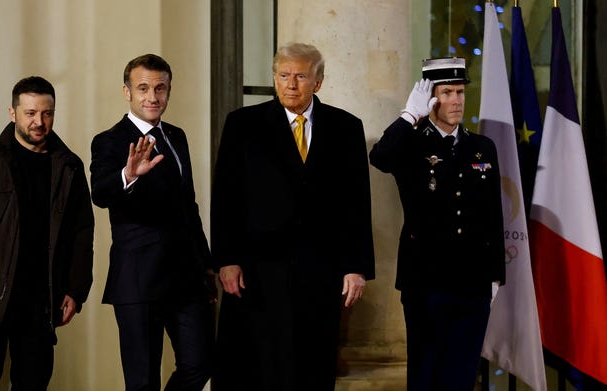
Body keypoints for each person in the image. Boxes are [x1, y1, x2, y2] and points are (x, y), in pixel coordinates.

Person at [211, 42, 375, 391]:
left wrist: (356, 266)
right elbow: (226, 198)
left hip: (322, 270)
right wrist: (227, 259)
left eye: (301, 76)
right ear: (274, 78)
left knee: (313, 364)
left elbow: (357, 204)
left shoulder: (345, 127)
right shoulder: (243, 125)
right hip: (258, 272)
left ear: (318, 82)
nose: (291, 84)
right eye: (283, 75)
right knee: (260, 366)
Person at [0, 76, 95, 389]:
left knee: (34, 382)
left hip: (41, 301)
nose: (39, 122)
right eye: (30, 113)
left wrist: (76, 289)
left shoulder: (69, 167)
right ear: (13, 113)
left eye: (47, 113)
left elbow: (82, 233)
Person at [369, 57, 505, 390]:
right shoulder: (411, 143)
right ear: (431, 97)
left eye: (460, 92)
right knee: (426, 374)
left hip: (472, 282)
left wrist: (495, 274)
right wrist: (408, 116)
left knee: (461, 376)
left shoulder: (481, 147)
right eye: (447, 92)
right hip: (426, 281)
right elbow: (379, 157)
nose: (457, 100)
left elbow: (492, 214)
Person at [90, 54, 215, 391]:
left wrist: (207, 266)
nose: (153, 97)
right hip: (138, 279)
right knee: (143, 381)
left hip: (186, 278)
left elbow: (189, 207)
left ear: (169, 91)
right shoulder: (110, 140)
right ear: (127, 92)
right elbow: (100, 192)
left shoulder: (177, 136)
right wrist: (127, 175)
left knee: (200, 363)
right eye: (143, 88)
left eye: (160, 88)